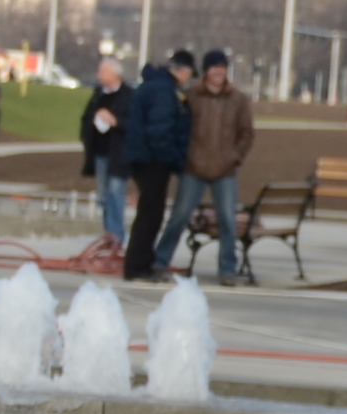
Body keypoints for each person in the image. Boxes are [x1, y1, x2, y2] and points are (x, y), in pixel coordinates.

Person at [179, 51, 260, 284]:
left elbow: (247, 133)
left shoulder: (238, 99)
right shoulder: (192, 96)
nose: (218, 71)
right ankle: (161, 260)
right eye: (214, 67)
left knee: (227, 220)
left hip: (225, 170)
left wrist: (234, 157)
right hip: (194, 168)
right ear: (206, 71)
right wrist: (186, 156)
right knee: (179, 215)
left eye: (222, 67)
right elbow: (180, 128)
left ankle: (227, 269)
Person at [120, 51, 193, 278]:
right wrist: (171, 159)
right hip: (152, 160)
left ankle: (141, 262)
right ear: (182, 70)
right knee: (150, 214)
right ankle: (137, 266)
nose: (190, 78)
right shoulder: (164, 90)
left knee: (149, 212)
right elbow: (160, 129)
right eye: (190, 73)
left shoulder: (156, 86)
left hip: (144, 157)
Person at [77, 71, 131, 250]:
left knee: (116, 194)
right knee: (103, 197)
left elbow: (134, 124)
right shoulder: (98, 94)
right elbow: (86, 117)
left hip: (119, 156)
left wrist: (116, 122)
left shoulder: (128, 96)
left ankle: (117, 237)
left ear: (115, 74)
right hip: (100, 154)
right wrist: (86, 134)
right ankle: (109, 234)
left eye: (103, 73)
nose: (99, 76)